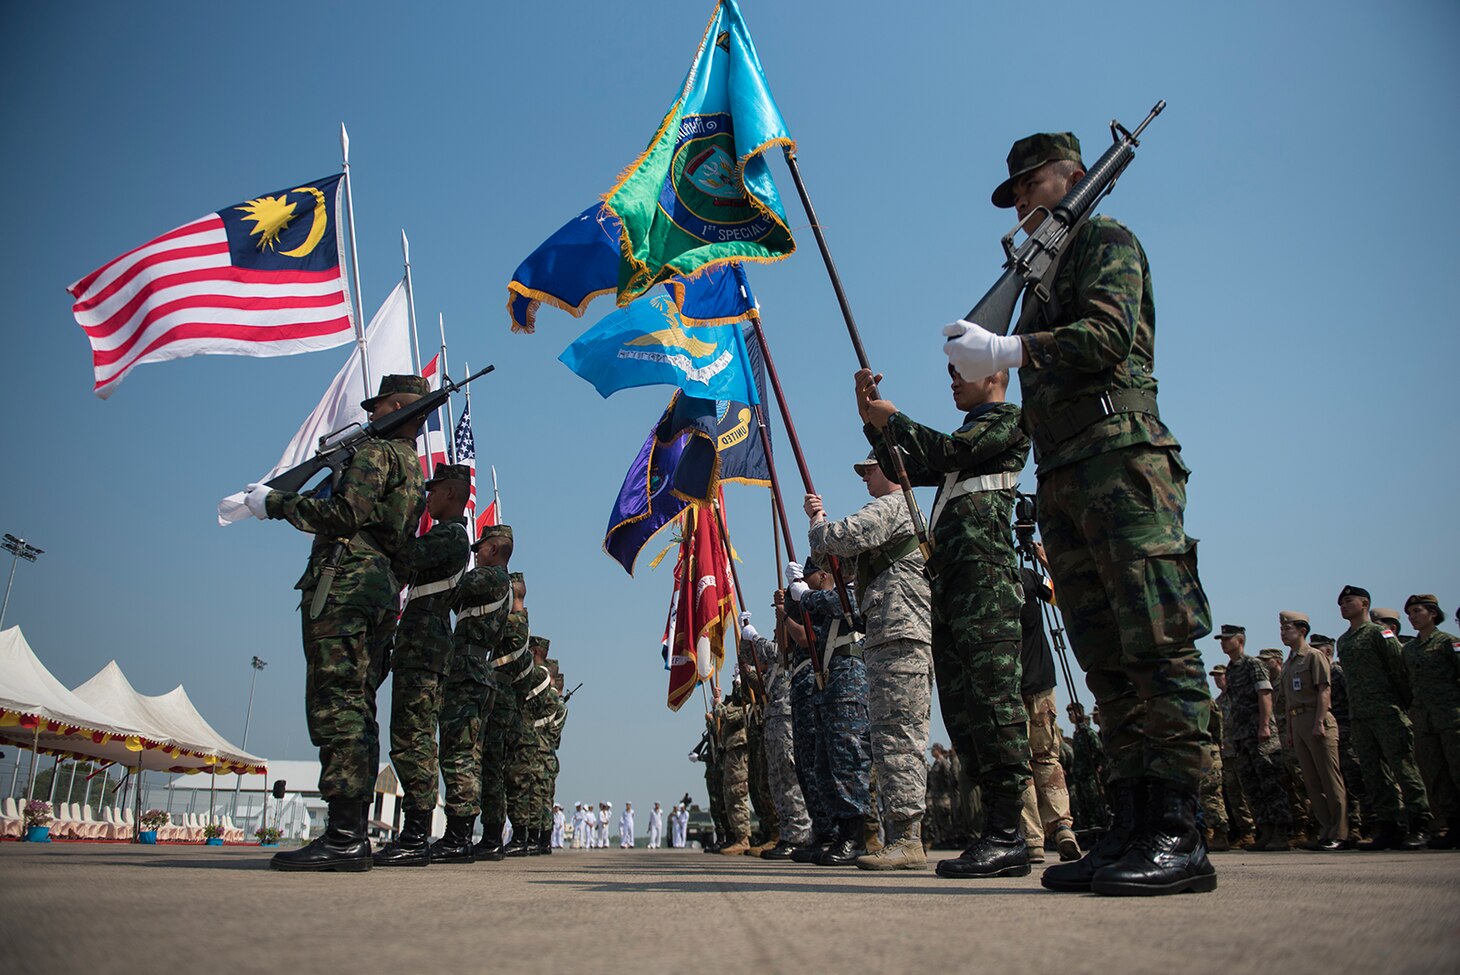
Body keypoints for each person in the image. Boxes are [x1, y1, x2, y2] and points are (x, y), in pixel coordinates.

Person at [943, 132, 1215, 895]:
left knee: (1156, 646)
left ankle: (1180, 830)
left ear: (1072, 177)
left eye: (1031, 185)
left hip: (1124, 462)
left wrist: (1008, 353)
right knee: (1106, 660)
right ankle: (1130, 822)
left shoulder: (1105, 239)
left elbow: (1106, 337)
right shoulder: (1036, 278)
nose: (1023, 202)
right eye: (1016, 192)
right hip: (1064, 475)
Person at [244, 373, 428, 872]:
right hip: (380, 590)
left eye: (377, 408)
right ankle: (351, 832)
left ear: (393, 407)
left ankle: (345, 836)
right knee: (358, 705)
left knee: (337, 703)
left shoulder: (376, 455)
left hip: (346, 584)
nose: (368, 418)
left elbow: (345, 515)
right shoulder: (413, 467)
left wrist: (275, 503)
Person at [855, 364, 1032, 880]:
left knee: (994, 706)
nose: (951, 381)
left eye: (961, 372)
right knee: (964, 710)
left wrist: (893, 420)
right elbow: (907, 468)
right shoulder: (965, 442)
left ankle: (1007, 833)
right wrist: (872, 422)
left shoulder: (1004, 424)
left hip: (986, 585)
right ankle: (995, 834)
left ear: (995, 374)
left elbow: (942, 454)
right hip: (952, 590)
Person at [804, 451, 935, 870]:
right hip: (887, 635)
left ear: (894, 471)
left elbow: (839, 539)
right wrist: (816, 525)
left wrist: (821, 525)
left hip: (901, 633)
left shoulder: (893, 506)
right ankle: (900, 836)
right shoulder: (891, 512)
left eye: (869, 469)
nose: (864, 477)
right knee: (887, 736)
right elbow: (833, 560)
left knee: (899, 733)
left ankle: (908, 838)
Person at [371, 463, 472, 867]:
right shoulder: (447, 534)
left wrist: (400, 515)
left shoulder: (450, 535)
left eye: (432, 491)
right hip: (420, 645)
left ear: (449, 493)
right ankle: (415, 830)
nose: (426, 498)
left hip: (424, 648)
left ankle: (415, 832)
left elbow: (406, 555)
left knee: (412, 739)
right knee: (412, 737)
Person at [780, 555, 873, 867]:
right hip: (829, 684)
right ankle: (837, 832)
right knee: (825, 765)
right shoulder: (828, 603)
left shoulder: (852, 591)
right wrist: (792, 607)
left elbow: (836, 604)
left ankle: (855, 835)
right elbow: (812, 637)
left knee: (848, 759)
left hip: (850, 681)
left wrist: (802, 595)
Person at [431, 524, 514, 863]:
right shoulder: (496, 581)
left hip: (469, 669)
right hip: (471, 669)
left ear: (494, 550)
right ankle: (460, 833)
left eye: (480, 548)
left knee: (460, 753)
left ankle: (458, 835)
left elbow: (455, 587)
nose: (475, 553)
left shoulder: (493, 577)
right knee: (463, 752)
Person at [1337, 585, 1430, 849]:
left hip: (1387, 711)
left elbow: (1399, 670)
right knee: (1374, 773)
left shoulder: (1381, 633)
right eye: (1341, 602)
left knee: (1404, 768)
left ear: (1364, 603)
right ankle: (1389, 827)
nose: (1344, 605)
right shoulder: (1344, 641)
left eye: (1349, 600)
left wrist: (1401, 704)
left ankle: (1421, 824)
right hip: (1361, 716)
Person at [1016, 542, 1080, 862]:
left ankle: (1032, 839)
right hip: (1041, 682)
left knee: (1019, 763)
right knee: (1046, 758)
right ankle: (1062, 826)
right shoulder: (1029, 577)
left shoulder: (986, 584)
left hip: (1008, 686)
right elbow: (1063, 596)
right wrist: (1045, 559)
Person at [741, 616, 813, 860]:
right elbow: (751, 657)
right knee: (776, 779)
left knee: (789, 775)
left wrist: (755, 637)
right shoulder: (773, 658)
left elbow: (772, 650)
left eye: (779, 629)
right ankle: (787, 833)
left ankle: (799, 834)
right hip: (774, 720)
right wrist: (744, 636)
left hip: (788, 717)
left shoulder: (791, 651)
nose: (776, 632)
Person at [1217, 625, 1292, 851]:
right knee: (1252, 786)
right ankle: (1265, 831)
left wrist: (1264, 726)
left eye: (1227, 639)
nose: (1222, 643)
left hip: (1259, 733)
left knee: (1270, 783)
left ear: (1240, 640)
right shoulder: (1231, 669)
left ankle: (1281, 833)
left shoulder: (1254, 664)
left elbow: (1265, 694)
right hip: (1241, 735)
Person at [1278, 611, 1347, 851]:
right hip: (1297, 722)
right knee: (1311, 781)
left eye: (1287, 629)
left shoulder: (1314, 657)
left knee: (1329, 778)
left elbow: (1324, 692)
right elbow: (1288, 700)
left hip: (1316, 718)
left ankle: (1339, 832)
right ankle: (1325, 829)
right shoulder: (1289, 663)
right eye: (1282, 629)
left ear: (1302, 631)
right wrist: (1288, 730)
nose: (1283, 633)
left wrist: (1319, 722)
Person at [475, 571, 532, 860]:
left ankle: (491, 836)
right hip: (509, 705)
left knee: (492, 768)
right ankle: (494, 835)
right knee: (499, 770)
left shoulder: (511, 624)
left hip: (500, 703)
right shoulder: (521, 626)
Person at [1399, 594, 1459, 848]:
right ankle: (1452, 827)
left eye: (1418, 611)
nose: (1413, 616)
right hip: (1424, 721)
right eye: (1410, 612)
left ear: (1433, 613)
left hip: (1451, 717)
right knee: (1436, 775)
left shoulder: (1449, 642)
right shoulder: (1410, 649)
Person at [1314, 633, 1366, 846]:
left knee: (1353, 779)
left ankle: (1358, 827)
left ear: (1327, 651)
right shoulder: (1319, 674)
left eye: (1318, 649)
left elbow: (1353, 699)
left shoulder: (1337, 672)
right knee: (1338, 780)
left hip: (1346, 729)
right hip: (1331, 732)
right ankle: (1346, 827)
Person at [1211, 663, 1256, 848]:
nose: (1217, 679)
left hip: (1240, 748)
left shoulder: (1236, 697)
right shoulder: (1219, 701)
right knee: (1233, 794)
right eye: (1215, 676)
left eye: (1220, 675)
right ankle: (1243, 832)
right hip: (1226, 752)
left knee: (1248, 791)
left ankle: (1254, 830)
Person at [1066, 704, 1108, 833]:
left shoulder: (1088, 733)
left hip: (1090, 776)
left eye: (1071, 713)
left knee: (1095, 805)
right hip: (1080, 777)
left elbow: (1099, 751)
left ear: (1079, 713)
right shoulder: (1077, 733)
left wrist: (1097, 767)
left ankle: (1101, 833)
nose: (1069, 716)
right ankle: (1089, 835)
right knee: (1084, 807)